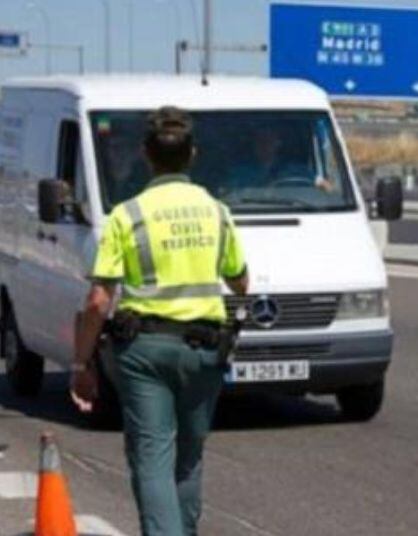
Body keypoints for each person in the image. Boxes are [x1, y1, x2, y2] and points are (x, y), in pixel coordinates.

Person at [70, 106, 249, 536]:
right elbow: (239, 281)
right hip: (205, 350)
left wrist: (81, 364)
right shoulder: (216, 212)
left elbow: (98, 300)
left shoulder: (127, 216)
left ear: (147, 155)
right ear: (192, 155)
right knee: (188, 459)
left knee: (152, 459)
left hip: (145, 351)